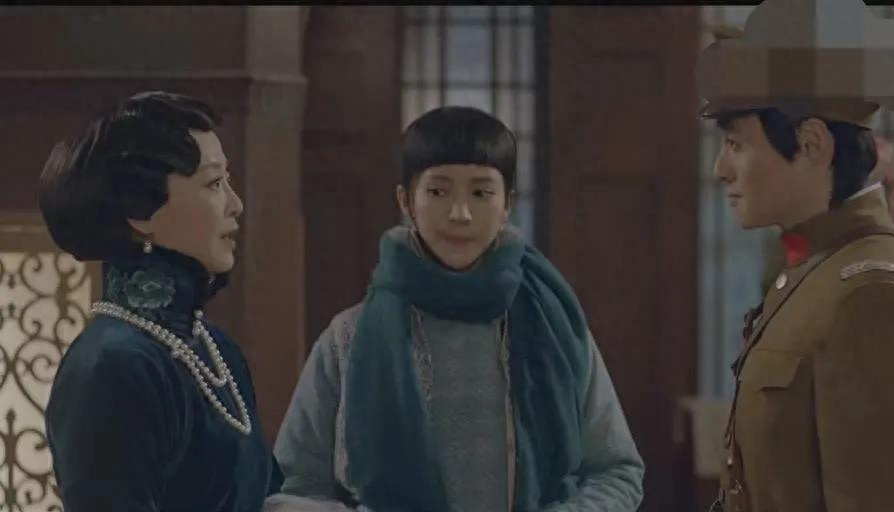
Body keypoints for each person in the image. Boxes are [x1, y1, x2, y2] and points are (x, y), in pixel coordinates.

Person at [272, 106, 645, 512]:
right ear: (405, 200)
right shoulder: (349, 337)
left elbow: (617, 471)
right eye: (438, 192)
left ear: (508, 203)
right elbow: (291, 487)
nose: (460, 213)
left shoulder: (555, 326)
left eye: (481, 193)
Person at [696, 0, 894, 511]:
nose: (721, 168)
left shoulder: (875, 294)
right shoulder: (817, 271)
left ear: (811, 143)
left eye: (737, 144)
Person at [40, 91, 283, 511]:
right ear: (141, 211)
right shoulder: (112, 367)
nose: (235, 204)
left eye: (227, 181)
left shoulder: (216, 351)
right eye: (214, 183)